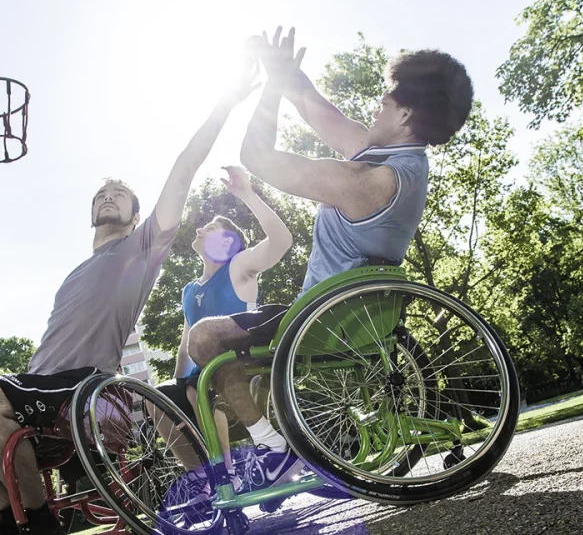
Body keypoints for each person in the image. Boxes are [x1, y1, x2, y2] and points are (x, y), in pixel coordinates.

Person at [0, 71, 257, 535]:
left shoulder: (142, 247)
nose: (107, 195)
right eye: (101, 193)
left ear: (136, 214)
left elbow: (184, 166)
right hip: (34, 386)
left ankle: (37, 524)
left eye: (118, 193)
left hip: (82, 389)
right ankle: (7, 518)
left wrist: (227, 100)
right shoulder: (75, 273)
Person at [186, 27, 474, 486]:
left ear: (403, 113)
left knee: (203, 340)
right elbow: (318, 110)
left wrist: (272, 90)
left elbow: (257, 156)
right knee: (252, 378)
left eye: (385, 100)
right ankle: (281, 442)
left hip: (321, 320)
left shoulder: (371, 180)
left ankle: (274, 450)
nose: (377, 102)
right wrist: (284, 74)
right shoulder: (401, 162)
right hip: (342, 315)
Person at [154, 165, 292, 477]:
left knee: (196, 387)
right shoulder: (190, 290)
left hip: (242, 358)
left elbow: (281, 241)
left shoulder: (238, 266)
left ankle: (235, 467)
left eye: (210, 228)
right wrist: (176, 384)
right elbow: (184, 347)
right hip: (201, 367)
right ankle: (206, 482)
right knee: (159, 398)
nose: (200, 229)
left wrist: (247, 194)